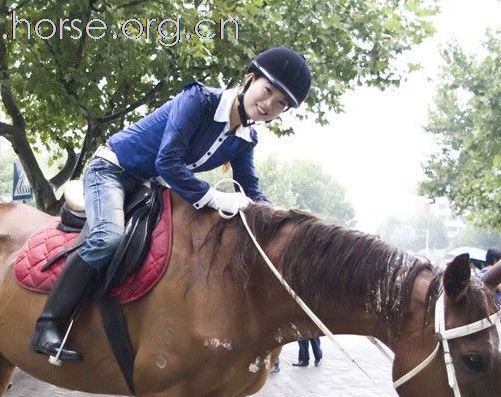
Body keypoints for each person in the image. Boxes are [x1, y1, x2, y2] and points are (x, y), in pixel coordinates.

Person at [30, 48, 313, 361]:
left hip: (148, 185)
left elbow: (251, 189)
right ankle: (48, 325)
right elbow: (168, 162)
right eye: (268, 91)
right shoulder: (198, 100)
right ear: (249, 79)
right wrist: (216, 197)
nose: (268, 105)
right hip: (111, 170)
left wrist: (281, 223)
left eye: (280, 104)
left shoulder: (246, 139)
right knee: (108, 236)